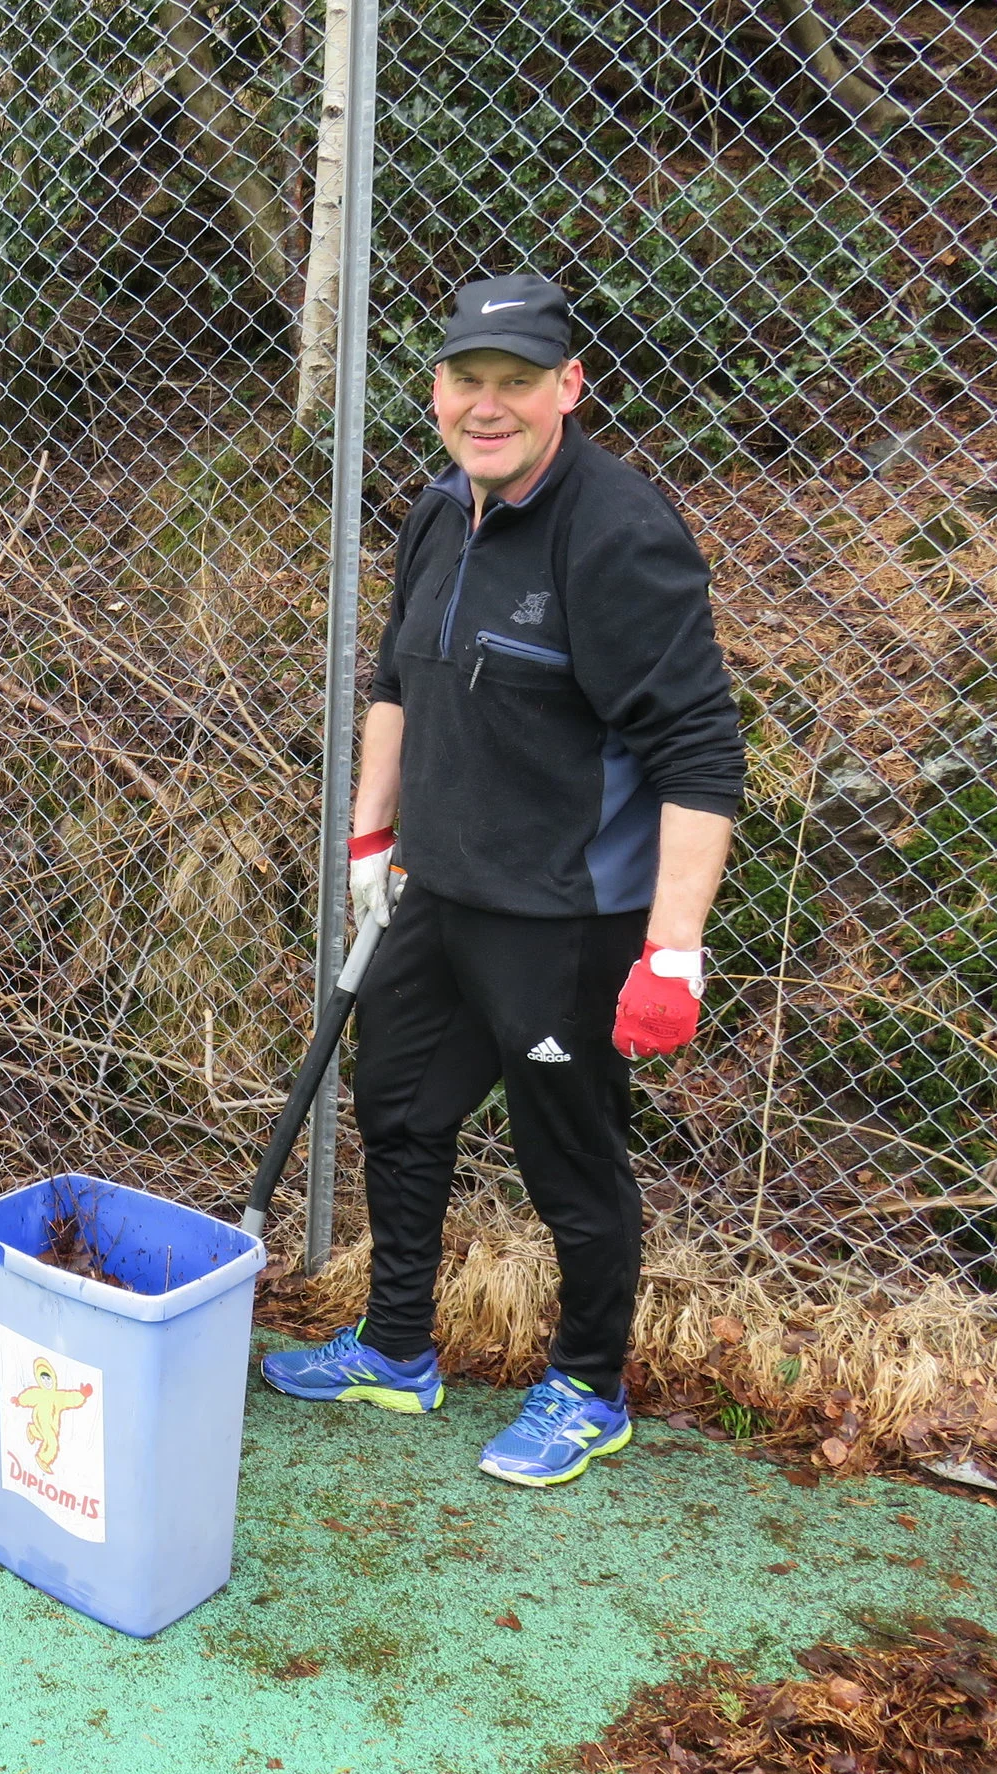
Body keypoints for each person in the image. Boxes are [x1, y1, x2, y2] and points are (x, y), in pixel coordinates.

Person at [261, 276, 745, 1488]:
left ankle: (587, 1387)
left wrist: (671, 951)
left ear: (566, 390)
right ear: (436, 393)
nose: (488, 407)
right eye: (465, 382)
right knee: (400, 1110)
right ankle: (393, 1347)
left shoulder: (617, 534)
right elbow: (395, 684)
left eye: (515, 383)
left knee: (567, 1159)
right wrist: (370, 846)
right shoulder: (440, 512)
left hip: (566, 919)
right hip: (439, 892)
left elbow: (701, 753)